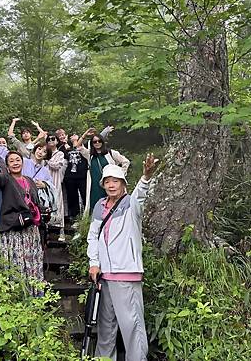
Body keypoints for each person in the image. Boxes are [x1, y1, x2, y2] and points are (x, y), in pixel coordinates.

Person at [87, 154, 159, 361]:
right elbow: (93, 236)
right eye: (107, 181)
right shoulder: (100, 206)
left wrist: (145, 177)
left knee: (132, 326)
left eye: (115, 181)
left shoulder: (131, 204)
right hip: (104, 276)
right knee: (105, 326)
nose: (111, 185)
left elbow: (141, 194)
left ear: (123, 184)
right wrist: (94, 263)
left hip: (126, 274)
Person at [0, 151, 45, 294]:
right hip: (14, 228)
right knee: (17, 262)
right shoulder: (6, 179)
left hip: (30, 229)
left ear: (22, 162)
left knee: (32, 261)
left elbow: (35, 201)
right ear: (7, 165)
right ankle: (18, 293)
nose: (15, 163)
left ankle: (35, 292)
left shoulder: (30, 180)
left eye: (18, 160)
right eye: (11, 161)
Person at [76, 128, 130, 212]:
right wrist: (85, 134)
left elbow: (125, 161)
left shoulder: (111, 153)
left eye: (99, 141)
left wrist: (120, 174)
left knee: (113, 203)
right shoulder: (89, 155)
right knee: (96, 205)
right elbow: (78, 146)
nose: (97, 143)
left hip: (109, 183)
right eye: (94, 142)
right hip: (95, 185)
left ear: (102, 142)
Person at [45, 134, 67, 241]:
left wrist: (47, 161)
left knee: (58, 205)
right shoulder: (44, 152)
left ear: (57, 141)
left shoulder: (60, 153)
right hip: (45, 182)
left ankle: (61, 231)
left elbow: (57, 165)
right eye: (48, 139)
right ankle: (46, 230)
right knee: (46, 205)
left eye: (53, 139)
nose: (50, 141)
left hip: (56, 182)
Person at [63, 133, 88, 220]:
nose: (73, 136)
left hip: (82, 176)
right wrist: (64, 142)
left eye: (75, 135)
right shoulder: (67, 149)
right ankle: (74, 216)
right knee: (72, 197)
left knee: (85, 195)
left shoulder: (83, 147)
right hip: (70, 177)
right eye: (71, 136)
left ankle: (87, 215)